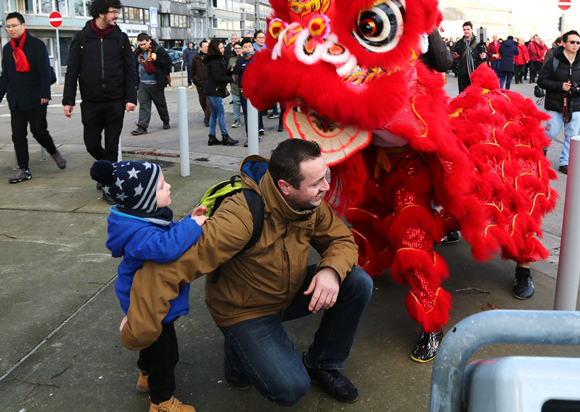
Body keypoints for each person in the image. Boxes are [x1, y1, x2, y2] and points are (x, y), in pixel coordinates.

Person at [120, 139, 373, 406]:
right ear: (285, 187)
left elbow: (341, 241)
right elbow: (169, 268)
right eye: (317, 182)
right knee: (291, 389)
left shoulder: (310, 201)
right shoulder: (239, 216)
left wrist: (331, 271)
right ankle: (237, 352)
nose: (326, 187)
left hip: (288, 290)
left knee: (357, 282)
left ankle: (321, 363)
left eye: (326, 176)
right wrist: (138, 327)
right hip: (245, 310)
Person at [90, 159, 207, 412]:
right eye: (162, 185)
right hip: (146, 299)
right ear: (144, 200)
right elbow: (165, 247)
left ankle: (145, 374)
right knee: (167, 353)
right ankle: (162, 401)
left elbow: (166, 233)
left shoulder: (142, 219)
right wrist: (191, 226)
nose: (169, 186)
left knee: (152, 341)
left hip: (145, 294)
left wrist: (189, 220)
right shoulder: (139, 234)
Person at [0, 13, 66, 183]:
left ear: (24, 26)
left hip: (36, 97)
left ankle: (54, 152)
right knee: (18, 135)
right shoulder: (8, 49)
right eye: (8, 26)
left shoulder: (37, 45)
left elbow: (45, 71)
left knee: (38, 132)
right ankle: (24, 169)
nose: (11, 29)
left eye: (14, 25)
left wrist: (45, 93)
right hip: (16, 99)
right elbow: (5, 76)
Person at [63, 0, 137, 168]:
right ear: (101, 13)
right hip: (91, 102)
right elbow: (72, 71)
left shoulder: (121, 38)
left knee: (112, 146)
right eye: (113, 12)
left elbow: (130, 70)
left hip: (115, 102)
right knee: (92, 145)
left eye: (117, 11)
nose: (117, 15)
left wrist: (131, 98)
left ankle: (108, 181)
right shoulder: (82, 38)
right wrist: (68, 100)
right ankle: (108, 168)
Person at [537, 30, 580, 175]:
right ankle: (541, 150)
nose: (575, 45)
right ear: (563, 43)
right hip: (555, 102)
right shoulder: (554, 60)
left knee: (572, 134)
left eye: (578, 43)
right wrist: (559, 86)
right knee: (551, 130)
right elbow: (542, 80)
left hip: (575, 103)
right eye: (572, 42)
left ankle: (565, 162)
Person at [131, 33, 172, 136]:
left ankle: (165, 120)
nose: (142, 46)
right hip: (143, 83)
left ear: (149, 41)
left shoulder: (158, 49)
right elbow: (134, 66)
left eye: (144, 44)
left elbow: (168, 62)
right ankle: (142, 127)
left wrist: (156, 59)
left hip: (156, 83)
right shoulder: (137, 52)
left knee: (160, 104)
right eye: (140, 44)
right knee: (144, 105)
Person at [204, 38, 239, 146]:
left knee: (214, 114)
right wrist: (231, 79)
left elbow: (221, 74)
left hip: (213, 90)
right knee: (221, 114)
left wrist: (230, 71)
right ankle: (225, 136)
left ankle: (212, 136)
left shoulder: (217, 60)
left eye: (223, 47)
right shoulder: (214, 61)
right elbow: (217, 78)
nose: (223, 49)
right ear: (215, 49)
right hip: (213, 91)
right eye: (220, 48)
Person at [233, 38, 264, 146]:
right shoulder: (241, 59)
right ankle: (249, 137)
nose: (247, 49)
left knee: (255, 113)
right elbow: (236, 72)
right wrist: (241, 59)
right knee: (247, 114)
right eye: (245, 47)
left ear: (252, 47)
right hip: (244, 90)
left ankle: (255, 134)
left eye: (249, 47)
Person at [451, 21, 487, 92]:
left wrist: (485, 56)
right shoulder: (459, 43)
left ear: (472, 30)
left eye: (468, 29)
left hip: (476, 73)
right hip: (463, 74)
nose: (466, 31)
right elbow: (453, 54)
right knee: (463, 95)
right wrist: (454, 56)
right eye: (464, 30)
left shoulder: (479, 42)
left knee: (476, 95)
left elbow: (486, 55)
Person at [191, 40, 211, 127]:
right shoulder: (196, 58)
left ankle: (207, 119)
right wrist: (195, 80)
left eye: (208, 46)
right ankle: (207, 115)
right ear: (200, 48)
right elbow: (192, 71)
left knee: (209, 103)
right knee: (202, 102)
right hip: (200, 84)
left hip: (210, 84)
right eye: (205, 46)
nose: (207, 48)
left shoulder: (211, 57)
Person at [227, 42, 243, 128]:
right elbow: (227, 71)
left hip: (243, 84)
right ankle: (237, 120)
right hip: (234, 84)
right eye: (236, 48)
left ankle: (250, 119)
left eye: (239, 48)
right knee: (236, 102)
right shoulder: (231, 59)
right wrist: (231, 70)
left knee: (245, 103)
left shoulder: (245, 57)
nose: (237, 50)